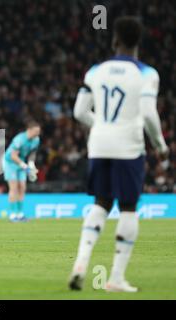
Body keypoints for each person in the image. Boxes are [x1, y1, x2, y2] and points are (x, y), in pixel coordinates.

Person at [69, 17, 169, 292]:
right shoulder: (147, 74)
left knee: (101, 203)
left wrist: (101, 124)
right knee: (128, 207)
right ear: (139, 43)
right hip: (128, 146)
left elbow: (78, 112)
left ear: (114, 41)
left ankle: (80, 264)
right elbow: (149, 114)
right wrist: (160, 146)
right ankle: (115, 278)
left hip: (99, 143)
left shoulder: (95, 71)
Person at [2, 120, 40, 222]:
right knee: (13, 188)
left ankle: (20, 214)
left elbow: (32, 154)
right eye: (36, 131)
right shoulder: (20, 139)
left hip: (21, 162)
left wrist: (31, 165)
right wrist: (25, 166)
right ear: (29, 130)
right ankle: (13, 214)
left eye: (38, 132)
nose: (37, 134)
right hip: (10, 162)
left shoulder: (36, 140)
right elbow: (13, 156)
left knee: (22, 187)